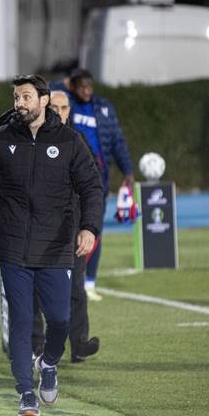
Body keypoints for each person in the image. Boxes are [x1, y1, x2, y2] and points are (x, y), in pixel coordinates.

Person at [0, 74, 103, 416]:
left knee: (59, 320)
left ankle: (48, 362)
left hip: (56, 247)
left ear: (44, 100)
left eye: (27, 97)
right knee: (21, 321)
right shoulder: (0, 139)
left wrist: (88, 227)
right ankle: (25, 392)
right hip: (13, 248)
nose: (20, 103)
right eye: (17, 97)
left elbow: (91, 187)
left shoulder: (70, 141)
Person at [31, 91, 101, 363]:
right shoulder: (31, 138)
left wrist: (88, 226)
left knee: (75, 288)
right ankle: (36, 344)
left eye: (64, 107)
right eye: (55, 107)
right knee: (35, 290)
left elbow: (91, 187)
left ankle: (79, 343)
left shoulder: (78, 141)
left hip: (71, 229)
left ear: (69, 111)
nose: (59, 112)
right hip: (37, 229)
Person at [66, 69, 134, 301]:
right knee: (70, 230)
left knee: (94, 230)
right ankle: (69, 281)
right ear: (73, 87)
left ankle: (89, 283)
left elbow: (117, 140)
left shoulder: (104, 108)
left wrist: (128, 171)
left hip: (98, 180)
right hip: (70, 180)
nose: (87, 91)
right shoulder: (66, 106)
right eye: (82, 86)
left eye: (89, 86)